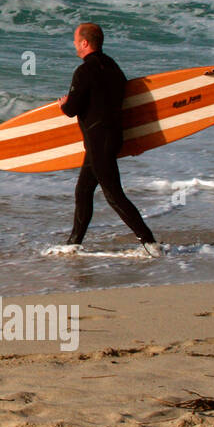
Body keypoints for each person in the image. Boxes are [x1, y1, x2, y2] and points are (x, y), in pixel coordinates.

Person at [57, 23, 162, 256]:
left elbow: (73, 108)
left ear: (85, 43)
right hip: (113, 137)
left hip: (98, 140)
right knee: (83, 190)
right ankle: (73, 243)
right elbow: (125, 103)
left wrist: (64, 104)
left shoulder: (84, 71)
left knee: (113, 194)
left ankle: (149, 242)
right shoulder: (114, 67)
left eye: (76, 40)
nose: (74, 44)